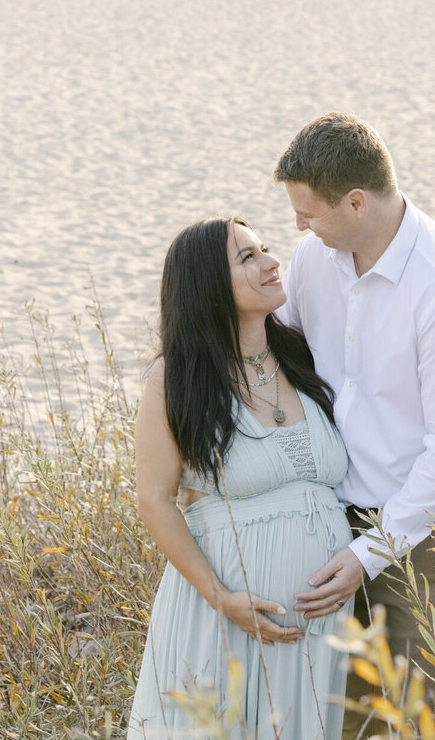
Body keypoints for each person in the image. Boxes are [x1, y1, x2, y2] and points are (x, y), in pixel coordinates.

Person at [274, 112, 435, 732]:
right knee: (339, 714)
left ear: (355, 203)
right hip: (332, 521)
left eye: (307, 213)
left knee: (417, 717)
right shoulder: (312, 260)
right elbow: (278, 362)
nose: (297, 227)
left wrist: (370, 552)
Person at [127, 216, 355, 739]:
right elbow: (156, 500)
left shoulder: (301, 355)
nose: (272, 263)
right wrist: (219, 596)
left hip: (315, 631)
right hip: (221, 616)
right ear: (207, 284)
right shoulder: (174, 379)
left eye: (266, 250)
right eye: (247, 257)